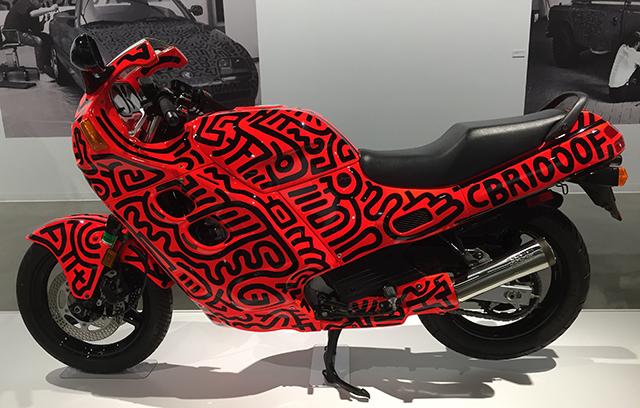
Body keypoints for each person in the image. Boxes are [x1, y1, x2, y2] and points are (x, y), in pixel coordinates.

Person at [2, 0, 58, 76]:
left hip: (21, 32)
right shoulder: (23, 3)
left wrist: (44, 21)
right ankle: (42, 67)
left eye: (42, 2)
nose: (41, 4)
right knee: (38, 41)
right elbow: (32, 14)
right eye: (40, 1)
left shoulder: (35, 11)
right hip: (13, 33)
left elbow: (36, 30)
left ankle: (47, 63)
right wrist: (51, 9)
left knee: (46, 38)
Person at [609, 31, 640, 103]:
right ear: (637, 43)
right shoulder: (634, 55)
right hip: (619, 94)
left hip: (612, 91)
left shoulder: (622, 47)